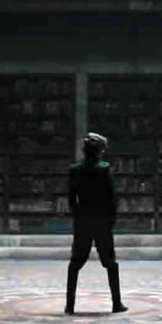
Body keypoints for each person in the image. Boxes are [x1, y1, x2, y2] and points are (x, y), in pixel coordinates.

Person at [64, 132, 127, 314]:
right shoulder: (104, 169)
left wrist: (78, 215)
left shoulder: (75, 169)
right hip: (102, 221)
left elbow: (71, 199)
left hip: (83, 221)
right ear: (99, 151)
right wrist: (111, 220)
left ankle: (70, 305)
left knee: (75, 264)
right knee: (110, 263)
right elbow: (112, 198)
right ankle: (116, 303)